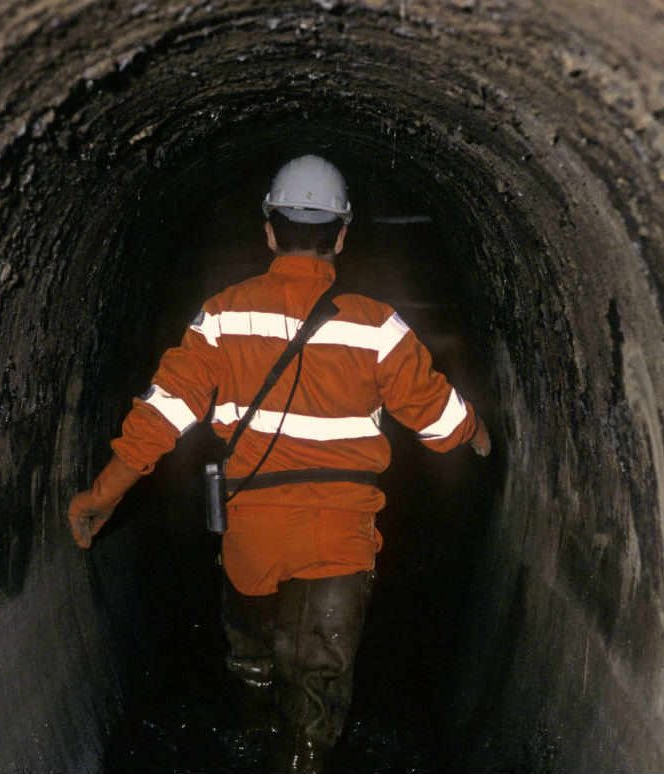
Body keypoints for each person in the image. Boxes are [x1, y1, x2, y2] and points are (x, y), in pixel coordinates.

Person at [67, 154, 491, 773]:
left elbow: (161, 416)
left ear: (269, 229)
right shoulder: (379, 327)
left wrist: (102, 494)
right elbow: (441, 424)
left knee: (253, 673)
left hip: (252, 539)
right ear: (341, 235)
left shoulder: (222, 316)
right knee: (316, 699)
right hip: (339, 543)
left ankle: (252, 732)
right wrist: (480, 434)